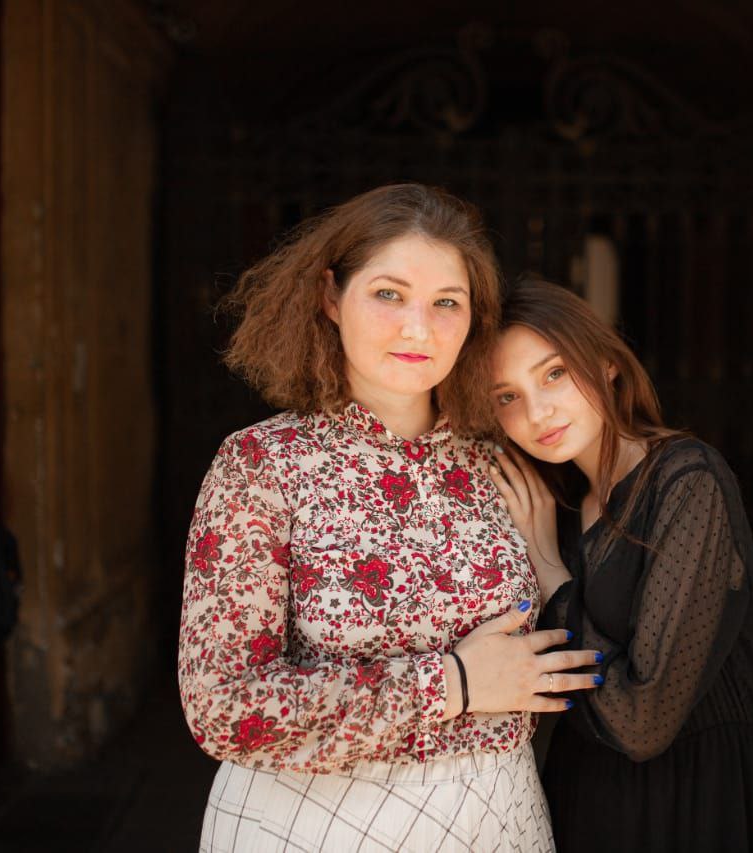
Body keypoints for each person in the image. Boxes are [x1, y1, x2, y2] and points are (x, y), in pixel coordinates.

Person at [178, 187, 600, 853]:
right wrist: (452, 683)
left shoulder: (502, 462)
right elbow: (223, 707)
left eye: (446, 303)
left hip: (498, 816)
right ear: (330, 296)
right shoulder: (262, 465)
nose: (418, 328)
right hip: (313, 823)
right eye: (388, 294)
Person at [487, 279, 753, 852]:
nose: (537, 412)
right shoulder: (556, 504)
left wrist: (548, 569)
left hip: (693, 804)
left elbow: (641, 721)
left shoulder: (688, 481)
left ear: (607, 363)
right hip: (585, 796)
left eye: (554, 373)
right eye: (506, 397)